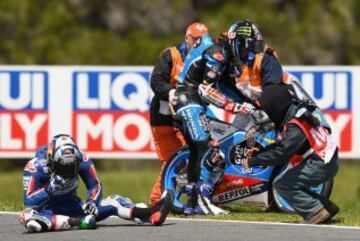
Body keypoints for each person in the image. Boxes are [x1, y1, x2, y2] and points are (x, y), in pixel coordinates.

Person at [172, 22, 256, 215]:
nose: (246, 53)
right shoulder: (217, 54)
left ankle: (192, 204)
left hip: (193, 101)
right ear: (234, 42)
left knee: (198, 152)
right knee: (210, 149)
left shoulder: (224, 57)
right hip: (188, 98)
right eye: (244, 47)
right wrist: (234, 106)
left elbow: (228, 88)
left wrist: (252, 106)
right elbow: (205, 89)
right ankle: (202, 200)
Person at [20, 134, 174, 232]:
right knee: (28, 218)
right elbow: (29, 201)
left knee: (115, 201)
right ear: (51, 159)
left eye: (71, 165)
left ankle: (150, 214)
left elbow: (95, 185)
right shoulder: (35, 166)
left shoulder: (83, 159)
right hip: (48, 212)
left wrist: (92, 202)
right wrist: (49, 189)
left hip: (75, 207)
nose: (67, 170)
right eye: (62, 166)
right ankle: (77, 222)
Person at [242, 84, 339, 224]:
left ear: (276, 106)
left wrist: (255, 161)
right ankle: (326, 207)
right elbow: (283, 145)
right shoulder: (297, 114)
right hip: (327, 159)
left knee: (282, 184)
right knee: (294, 183)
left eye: (269, 110)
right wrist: (262, 151)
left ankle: (315, 212)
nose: (269, 114)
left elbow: (281, 153)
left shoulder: (295, 125)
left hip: (322, 163)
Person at [148, 22, 209, 206]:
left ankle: (196, 198)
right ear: (187, 38)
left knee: (195, 156)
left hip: (188, 117)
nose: (200, 43)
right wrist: (171, 92)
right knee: (172, 160)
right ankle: (155, 203)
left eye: (204, 39)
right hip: (164, 117)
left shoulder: (207, 58)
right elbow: (156, 81)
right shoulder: (171, 55)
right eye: (196, 39)